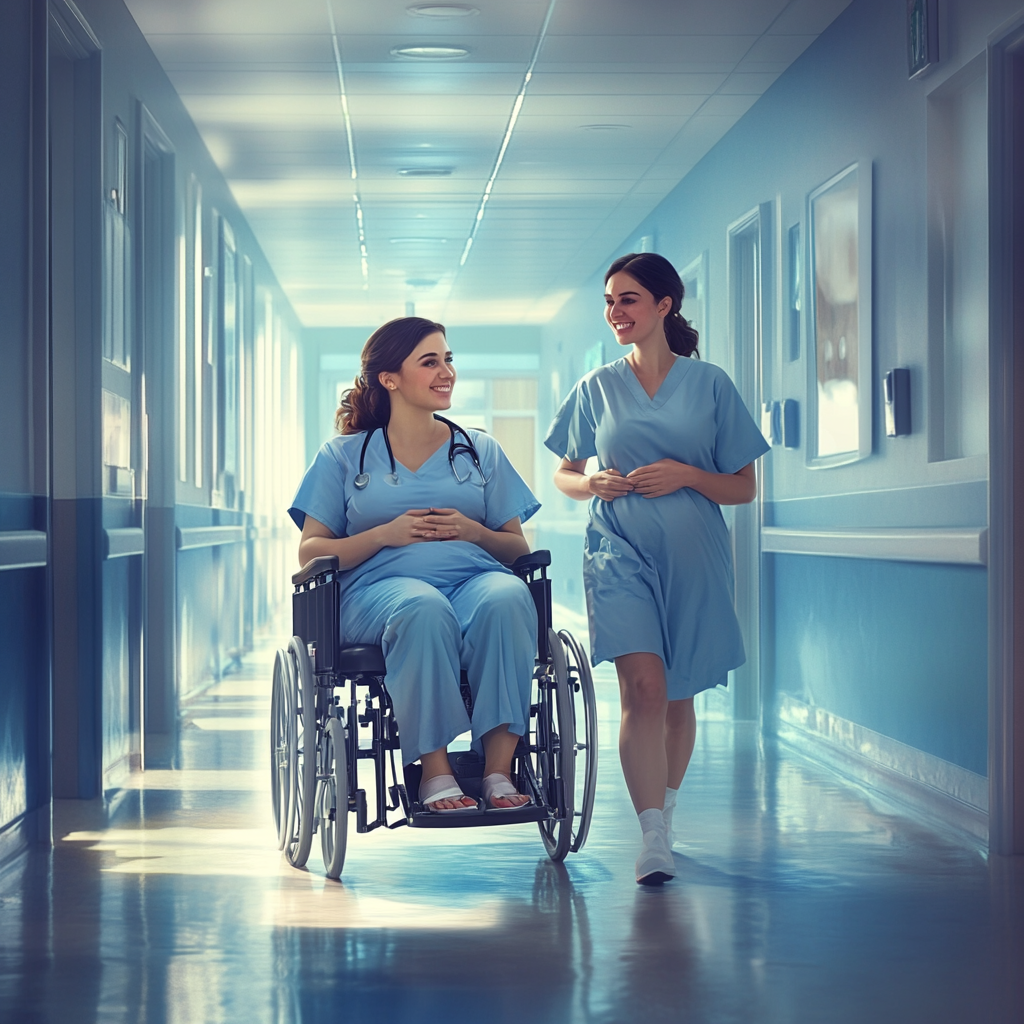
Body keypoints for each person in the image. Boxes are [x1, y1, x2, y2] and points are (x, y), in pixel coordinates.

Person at [545, 252, 769, 884]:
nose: (616, 313)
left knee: (676, 696)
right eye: (610, 302)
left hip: (695, 555)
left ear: (665, 305)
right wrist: (590, 481)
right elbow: (564, 472)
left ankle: (666, 811)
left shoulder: (711, 384)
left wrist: (687, 475)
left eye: (629, 299)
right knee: (641, 687)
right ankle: (651, 838)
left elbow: (743, 488)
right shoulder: (596, 387)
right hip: (617, 550)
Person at [288, 317, 540, 813]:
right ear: (390, 378)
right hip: (378, 593)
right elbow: (309, 551)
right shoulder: (343, 456)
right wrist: (385, 534)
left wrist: (474, 531)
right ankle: (435, 771)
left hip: (473, 580)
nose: (446, 371)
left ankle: (497, 770)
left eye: (448, 359)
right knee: (422, 608)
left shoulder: (480, 449)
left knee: (509, 597)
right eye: (430, 361)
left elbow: (516, 549)